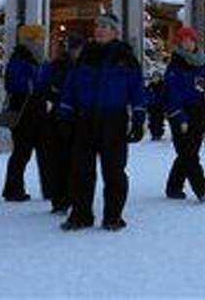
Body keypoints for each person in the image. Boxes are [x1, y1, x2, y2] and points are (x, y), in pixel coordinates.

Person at [57, 14, 145, 231]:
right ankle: (81, 215)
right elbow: (70, 87)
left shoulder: (125, 57)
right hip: (85, 119)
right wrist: (65, 114)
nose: (100, 30)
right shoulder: (85, 56)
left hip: (113, 120)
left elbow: (137, 90)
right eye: (98, 26)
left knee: (114, 171)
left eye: (106, 27)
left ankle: (113, 216)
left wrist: (139, 117)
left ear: (115, 32)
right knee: (81, 170)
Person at [164, 25, 205, 202]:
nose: (187, 43)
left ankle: (173, 187)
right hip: (180, 113)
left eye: (190, 40)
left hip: (199, 109)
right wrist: (180, 116)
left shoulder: (202, 61)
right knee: (187, 152)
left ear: (195, 41)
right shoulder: (175, 65)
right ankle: (202, 187)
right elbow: (172, 92)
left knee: (190, 151)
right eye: (184, 40)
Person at [1, 31, 49, 203]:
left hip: (38, 111)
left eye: (42, 39)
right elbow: (12, 83)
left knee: (44, 152)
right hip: (23, 113)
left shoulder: (41, 60)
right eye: (38, 39)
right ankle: (13, 189)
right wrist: (31, 84)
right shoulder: (19, 60)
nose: (41, 42)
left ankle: (49, 188)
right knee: (22, 152)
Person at [40, 35, 83, 214]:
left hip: (76, 119)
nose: (75, 51)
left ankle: (70, 197)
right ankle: (60, 199)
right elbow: (44, 87)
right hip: (58, 119)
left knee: (73, 160)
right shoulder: (58, 66)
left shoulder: (83, 67)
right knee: (60, 160)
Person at [146, 73, 166, 141]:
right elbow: (147, 95)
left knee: (159, 120)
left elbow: (164, 95)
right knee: (152, 120)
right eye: (154, 77)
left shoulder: (162, 85)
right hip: (151, 106)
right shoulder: (150, 86)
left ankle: (159, 133)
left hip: (160, 106)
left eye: (157, 77)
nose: (156, 79)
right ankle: (153, 134)